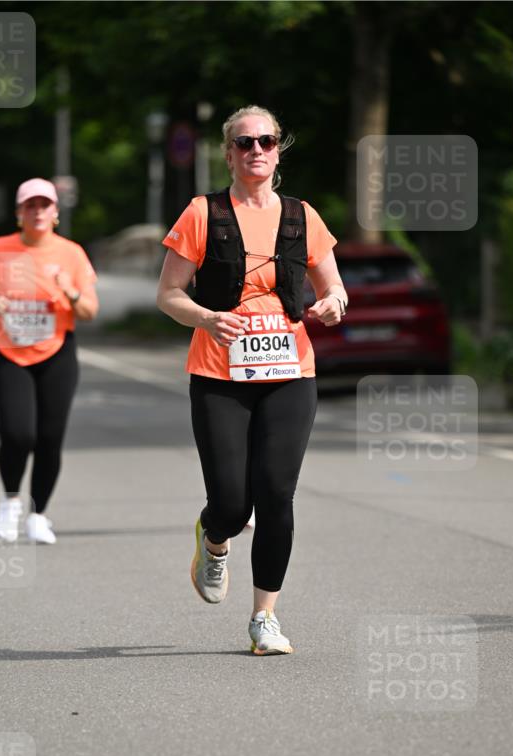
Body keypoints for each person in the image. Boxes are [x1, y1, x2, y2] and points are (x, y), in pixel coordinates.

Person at [157, 105, 347, 654]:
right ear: (229, 153)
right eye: (245, 143)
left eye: (266, 141)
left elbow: (334, 287)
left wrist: (333, 303)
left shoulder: (302, 216)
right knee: (233, 503)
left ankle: (265, 618)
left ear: (279, 148)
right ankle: (214, 539)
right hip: (220, 373)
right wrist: (206, 317)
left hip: (291, 371)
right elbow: (168, 295)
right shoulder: (202, 213)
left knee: (277, 493)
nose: (256, 150)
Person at [0, 178, 98, 544]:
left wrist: (69, 289)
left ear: (56, 213)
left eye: (45, 205)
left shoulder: (71, 253)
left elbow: (89, 310)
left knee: (49, 438)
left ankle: (38, 515)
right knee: (17, 434)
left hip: (57, 352)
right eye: (30, 205)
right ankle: (11, 502)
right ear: (19, 213)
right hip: (9, 352)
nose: (38, 211)